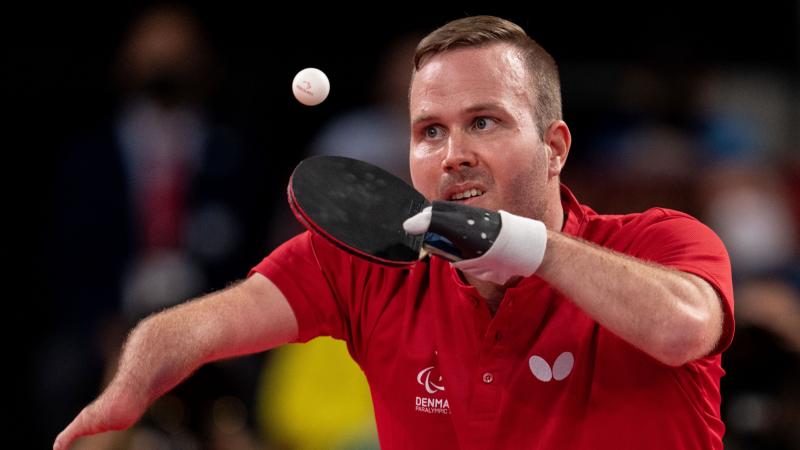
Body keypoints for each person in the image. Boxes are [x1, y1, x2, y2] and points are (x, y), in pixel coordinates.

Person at [54, 15, 734, 450]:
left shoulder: (660, 243)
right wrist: (127, 389)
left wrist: (521, 245)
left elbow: (682, 329)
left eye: (484, 122)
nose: (453, 152)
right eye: (430, 131)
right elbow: (188, 330)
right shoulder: (370, 262)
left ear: (554, 147)